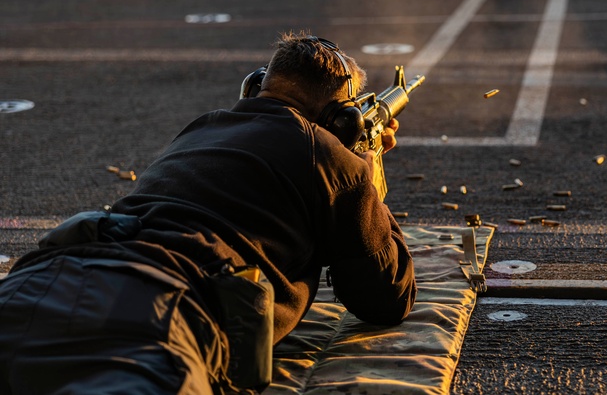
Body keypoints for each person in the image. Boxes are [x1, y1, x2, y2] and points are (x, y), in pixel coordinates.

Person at [0, 32, 416, 394]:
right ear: (341, 120)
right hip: (157, 312)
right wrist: (368, 174)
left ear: (255, 88)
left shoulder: (204, 126)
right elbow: (387, 297)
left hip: (38, 280)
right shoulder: (330, 157)